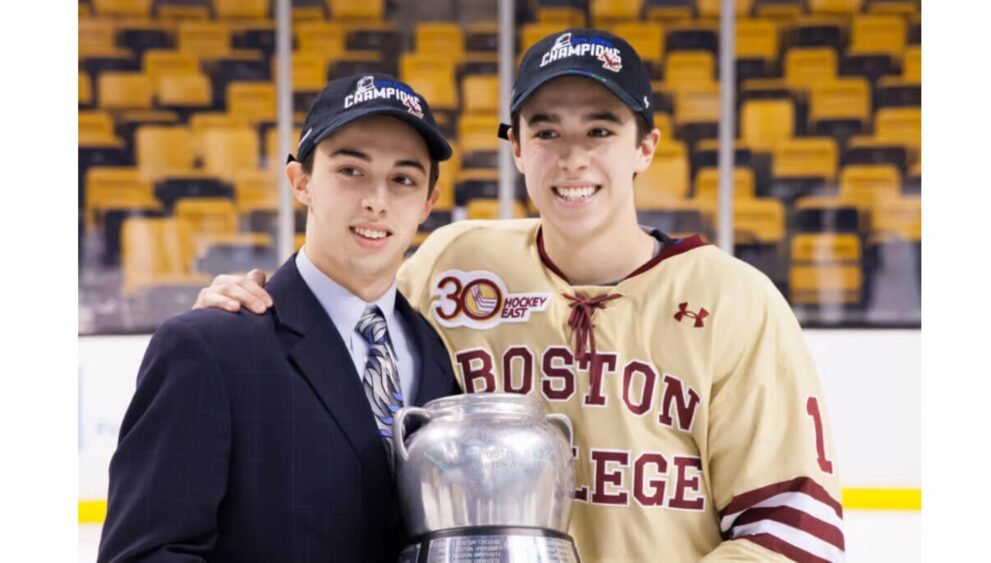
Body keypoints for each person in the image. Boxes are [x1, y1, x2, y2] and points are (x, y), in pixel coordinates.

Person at [195, 29, 845, 562]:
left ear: (645, 147)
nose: (572, 158)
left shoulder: (734, 299)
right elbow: (345, 321)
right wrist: (249, 308)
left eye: (599, 131)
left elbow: (794, 530)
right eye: (545, 131)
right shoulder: (459, 263)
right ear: (515, 148)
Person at [97, 73, 461, 563]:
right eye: (351, 170)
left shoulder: (440, 356)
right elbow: (147, 554)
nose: (377, 199)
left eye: (403, 179)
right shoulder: (208, 348)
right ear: (301, 182)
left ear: (428, 204)